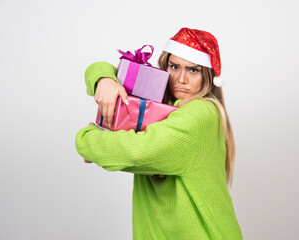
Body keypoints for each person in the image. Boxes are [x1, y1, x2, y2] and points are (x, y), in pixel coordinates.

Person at [75, 27, 243, 239]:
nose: (181, 79)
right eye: (174, 67)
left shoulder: (201, 114)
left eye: (193, 70)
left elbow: (136, 152)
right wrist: (105, 80)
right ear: (165, 67)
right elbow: (97, 67)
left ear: (207, 76)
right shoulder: (159, 103)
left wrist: (87, 138)